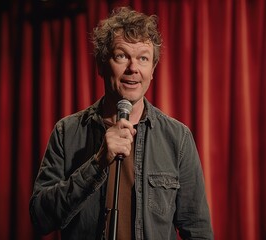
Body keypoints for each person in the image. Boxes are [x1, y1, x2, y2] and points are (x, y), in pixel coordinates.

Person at [29, 6, 213, 240]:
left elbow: (197, 231)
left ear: (153, 69)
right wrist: (96, 164)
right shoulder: (67, 132)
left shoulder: (177, 138)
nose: (133, 68)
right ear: (101, 65)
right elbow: (40, 217)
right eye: (121, 56)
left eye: (143, 58)